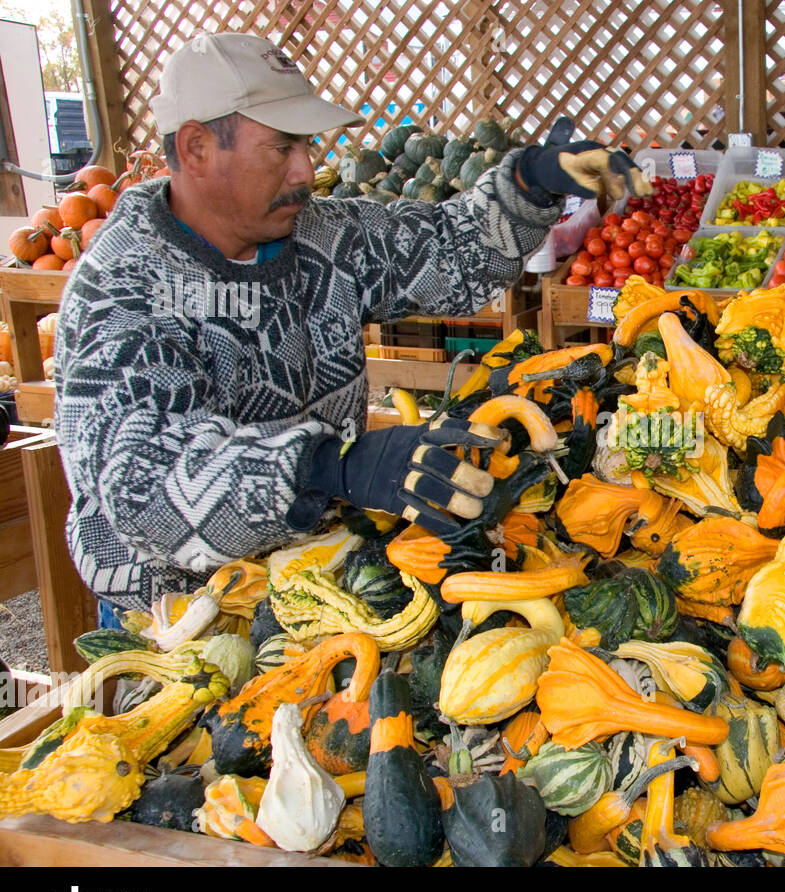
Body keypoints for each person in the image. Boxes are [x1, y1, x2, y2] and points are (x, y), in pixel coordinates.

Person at [54, 32, 648, 613]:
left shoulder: (321, 234)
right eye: (283, 148)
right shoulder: (123, 288)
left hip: (320, 575)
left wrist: (526, 184)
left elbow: (448, 254)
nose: (305, 169)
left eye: (307, 146)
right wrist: (326, 467)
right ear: (196, 148)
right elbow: (141, 486)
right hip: (182, 611)